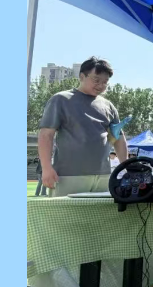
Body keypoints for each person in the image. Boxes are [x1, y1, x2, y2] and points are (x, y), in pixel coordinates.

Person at [38, 57, 127, 197]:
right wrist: (46, 168)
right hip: (68, 176)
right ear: (81, 76)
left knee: (101, 212)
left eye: (105, 82)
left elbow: (118, 139)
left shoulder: (108, 106)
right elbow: (46, 135)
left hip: (103, 176)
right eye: (96, 80)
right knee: (65, 212)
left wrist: (125, 167)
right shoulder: (61, 99)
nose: (101, 85)